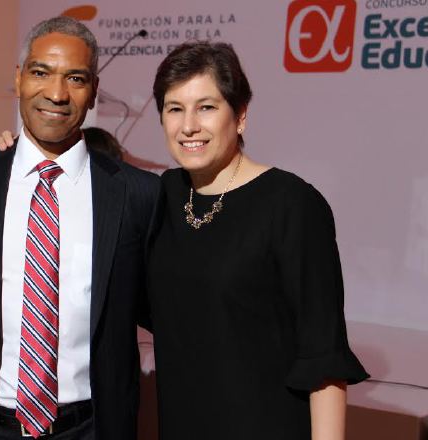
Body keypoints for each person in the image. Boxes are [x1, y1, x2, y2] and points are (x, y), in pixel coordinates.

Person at [0, 16, 158, 440]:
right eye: (41, 73)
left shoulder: (139, 194)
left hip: (92, 428)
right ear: (19, 78)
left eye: (75, 78)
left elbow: (171, 311)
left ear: (94, 90)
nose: (57, 93)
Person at [146, 41, 368, 439]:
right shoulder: (161, 197)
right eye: (174, 108)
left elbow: (323, 354)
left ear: (241, 114)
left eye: (207, 107)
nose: (188, 126)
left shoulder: (292, 205)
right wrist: (3, 155)